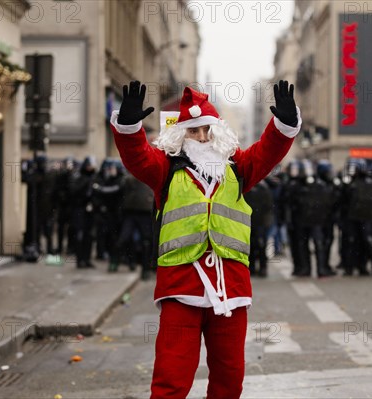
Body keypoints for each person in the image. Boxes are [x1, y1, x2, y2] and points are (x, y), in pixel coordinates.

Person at [111, 80, 301, 398]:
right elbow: (138, 157)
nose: (201, 138)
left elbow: (267, 152)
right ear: (181, 134)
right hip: (181, 286)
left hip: (231, 290)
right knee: (171, 377)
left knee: (229, 377)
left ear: (217, 132)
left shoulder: (238, 168)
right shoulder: (166, 170)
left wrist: (283, 124)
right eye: (193, 131)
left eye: (206, 131)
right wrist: (129, 127)